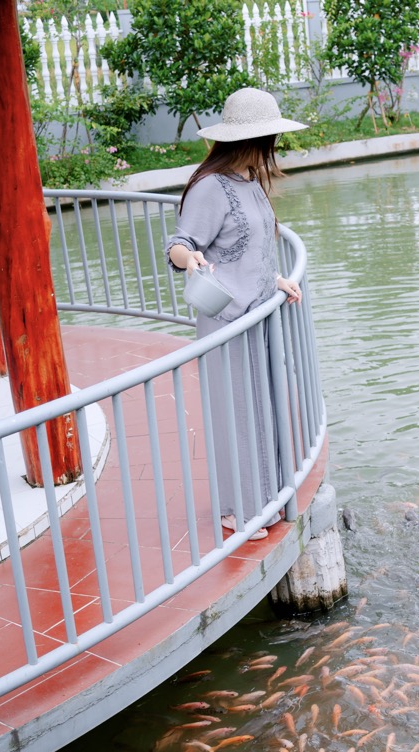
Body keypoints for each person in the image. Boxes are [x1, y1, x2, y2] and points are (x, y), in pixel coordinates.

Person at [166, 87, 307, 542]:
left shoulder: (250, 180)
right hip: (227, 320)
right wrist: (189, 260)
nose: (274, 149)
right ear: (254, 140)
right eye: (270, 140)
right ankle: (238, 510)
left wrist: (277, 280)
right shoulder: (211, 187)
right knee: (236, 414)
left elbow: (255, 248)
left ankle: (263, 496)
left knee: (261, 410)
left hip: (258, 315)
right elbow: (179, 244)